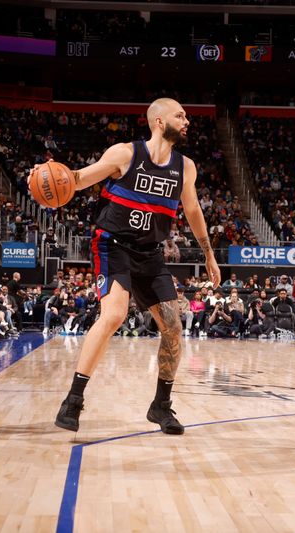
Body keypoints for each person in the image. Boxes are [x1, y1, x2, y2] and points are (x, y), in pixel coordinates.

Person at [52, 98, 220, 434]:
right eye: (180, 115)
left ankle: (161, 406)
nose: (187, 121)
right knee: (114, 315)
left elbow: (194, 212)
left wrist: (208, 253)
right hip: (113, 245)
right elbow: (78, 178)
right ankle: (73, 400)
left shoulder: (185, 167)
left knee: (172, 326)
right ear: (159, 120)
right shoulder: (124, 154)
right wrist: (48, 175)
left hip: (150, 253)